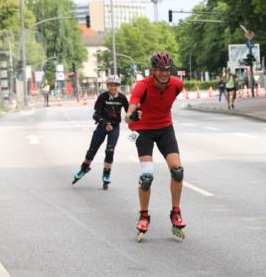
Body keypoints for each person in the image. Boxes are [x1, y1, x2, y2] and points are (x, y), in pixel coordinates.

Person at [125, 52, 188, 242]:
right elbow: (127, 115)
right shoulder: (142, 86)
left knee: (177, 171)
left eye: (167, 70)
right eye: (160, 70)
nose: (164, 74)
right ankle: (144, 215)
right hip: (143, 130)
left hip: (165, 128)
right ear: (153, 70)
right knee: (147, 177)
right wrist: (132, 116)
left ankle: (175, 212)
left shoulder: (177, 84)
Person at [72, 75, 129, 189]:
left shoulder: (122, 98)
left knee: (110, 150)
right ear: (107, 86)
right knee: (92, 151)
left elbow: (129, 112)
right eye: (110, 85)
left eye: (115, 85)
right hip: (102, 126)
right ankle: (84, 168)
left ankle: (106, 174)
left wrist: (136, 113)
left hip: (115, 127)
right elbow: (95, 114)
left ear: (118, 86)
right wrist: (104, 123)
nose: (113, 87)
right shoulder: (102, 97)